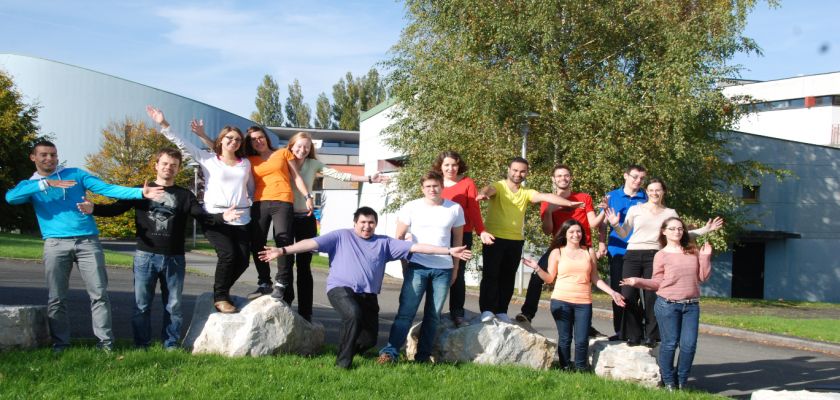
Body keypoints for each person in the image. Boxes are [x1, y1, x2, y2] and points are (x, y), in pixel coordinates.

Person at [258, 206, 472, 369]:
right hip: (340, 289)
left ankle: (348, 347)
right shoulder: (341, 236)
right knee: (353, 314)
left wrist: (448, 251)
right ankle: (343, 364)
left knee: (368, 339)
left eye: (371, 223)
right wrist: (283, 250)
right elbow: (310, 243)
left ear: (375, 225)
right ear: (355, 223)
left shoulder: (384, 243)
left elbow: (417, 247)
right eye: (362, 222)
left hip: (368, 295)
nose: (366, 226)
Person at [5, 140, 164, 352]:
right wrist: (46, 184)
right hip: (55, 244)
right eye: (44, 155)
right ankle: (60, 344)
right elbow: (11, 198)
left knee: (99, 294)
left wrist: (139, 193)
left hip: (87, 242)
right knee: (56, 298)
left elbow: (107, 189)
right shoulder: (30, 185)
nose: (49, 159)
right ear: (33, 157)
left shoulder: (76, 174)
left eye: (53, 154)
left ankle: (105, 344)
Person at [77, 148, 241, 349]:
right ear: (156, 165)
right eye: (164, 163)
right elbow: (116, 209)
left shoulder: (184, 195)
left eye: (173, 165)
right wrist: (94, 209)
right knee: (141, 306)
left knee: (173, 306)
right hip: (145, 256)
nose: (168, 168)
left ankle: (170, 344)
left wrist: (222, 217)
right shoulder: (141, 190)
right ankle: (141, 345)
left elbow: (202, 216)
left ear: (178, 169)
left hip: (174, 258)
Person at [190, 124, 313, 304]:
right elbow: (222, 148)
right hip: (259, 202)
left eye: (260, 137)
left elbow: (296, 176)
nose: (258, 141)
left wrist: (307, 196)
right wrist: (203, 135)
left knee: (283, 239)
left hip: (283, 201)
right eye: (253, 140)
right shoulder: (248, 160)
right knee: (257, 243)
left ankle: (282, 281)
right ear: (250, 144)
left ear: (266, 137)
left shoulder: (282, 153)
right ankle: (264, 281)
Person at [147, 106, 253, 314]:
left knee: (242, 260)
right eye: (229, 138)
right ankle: (220, 296)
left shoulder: (245, 164)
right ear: (221, 140)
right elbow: (182, 144)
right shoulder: (208, 160)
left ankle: (222, 290)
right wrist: (163, 123)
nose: (233, 142)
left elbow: (250, 188)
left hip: (241, 216)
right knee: (228, 256)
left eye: (237, 140)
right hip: (214, 215)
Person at [284, 131, 388, 321]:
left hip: (305, 217)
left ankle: (306, 312)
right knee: (286, 262)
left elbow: (340, 175)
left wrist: (369, 179)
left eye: (306, 147)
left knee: (304, 267)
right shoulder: (282, 161)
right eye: (299, 146)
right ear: (291, 146)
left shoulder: (313, 164)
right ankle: (285, 305)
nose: (302, 150)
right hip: (284, 216)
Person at [605, 178, 722, 346]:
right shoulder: (635, 209)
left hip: (657, 255)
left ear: (663, 192)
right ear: (646, 192)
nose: (654, 193)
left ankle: (652, 336)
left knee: (653, 296)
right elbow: (624, 234)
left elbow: (680, 233)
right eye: (651, 190)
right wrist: (615, 225)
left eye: (657, 190)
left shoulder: (670, 213)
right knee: (628, 294)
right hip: (633, 254)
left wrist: (705, 230)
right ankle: (634, 334)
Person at [476, 157, 585, 323]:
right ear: (509, 170)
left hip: (515, 240)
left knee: (508, 277)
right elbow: (489, 189)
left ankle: (501, 311)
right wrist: (484, 194)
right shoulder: (499, 186)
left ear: (526, 173)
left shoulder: (526, 193)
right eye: (515, 170)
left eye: (522, 171)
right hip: (494, 238)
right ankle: (487, 309)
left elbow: (547, 196)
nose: (518, 174)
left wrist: (569, 204)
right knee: (491, 275)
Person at [377, 171, 465, 364]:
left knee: (433, 316)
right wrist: (404, 264)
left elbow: (458, 241)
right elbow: (398, 239)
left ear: (442, 186)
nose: (432, 189)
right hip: (417, 266)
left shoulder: (455, 209)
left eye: (435, 185)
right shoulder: (411, 207)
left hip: (443, 269)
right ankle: (390, 352)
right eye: (428, 186)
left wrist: (456, 269)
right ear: (422, 188)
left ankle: (423, 357)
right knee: (406, 313)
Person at [621, 218, 714, 390]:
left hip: (691, 305)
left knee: (689, 345)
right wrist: (637, 281)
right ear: (664, 231)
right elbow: (657, 282)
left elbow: (702, 277)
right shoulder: (661, 255)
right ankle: (669, 382)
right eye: (672, 229)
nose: (677, 232)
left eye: (680, 229)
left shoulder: (692, 251)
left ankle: (682, 381)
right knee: (670, 344)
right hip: (668, 305)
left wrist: (706, 257)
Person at [522, 220, 624, 371]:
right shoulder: (557, 252)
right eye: (571, 232)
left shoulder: (588, 252)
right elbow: (550, 278)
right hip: (561, 301)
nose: (576, 235)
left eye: (578, 231)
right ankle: (565, 367)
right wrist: (537, 268)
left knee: (582, 339)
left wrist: (613, 292)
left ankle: (581, 369)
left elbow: (595, 278)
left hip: (584, 302)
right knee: (565, 338)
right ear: (565, 234)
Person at [516, 164, 606, 323]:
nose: (563, 178)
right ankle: (527, 314)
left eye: (566, 175)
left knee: (584, 283)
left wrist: (604, 212)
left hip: (583, 248)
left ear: (571, 178)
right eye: (559, 176)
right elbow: (546, 230)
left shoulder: (584, 198)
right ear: (553, 179)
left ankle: (587, 326)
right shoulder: (547, 201)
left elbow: (593, 223)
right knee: (537, 276)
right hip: (558, 248)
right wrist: (550, 211)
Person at [432, 151, 490, 327]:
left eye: (454, 165)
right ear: (440, 166)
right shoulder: (436, 183)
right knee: (437, 272)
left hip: (462, 234)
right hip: (439, 234)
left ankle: (457, 313)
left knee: (458, 273)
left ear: (459, 166)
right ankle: (433, 312)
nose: (451, 168)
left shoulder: (467, 183)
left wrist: (481, 231)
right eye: (447, 165)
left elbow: (473, 208)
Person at [597, 164, 648, 340]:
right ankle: (620, 330)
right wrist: (601, 243)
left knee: (640, 292)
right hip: (618, 250)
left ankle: (639, 330)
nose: (638, 181)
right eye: (635, 177)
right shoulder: (612, 196)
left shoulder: (646, 197)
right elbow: (602, 223)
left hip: (642, 250)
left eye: (642, 178)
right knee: (619, 291)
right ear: (625, 176)